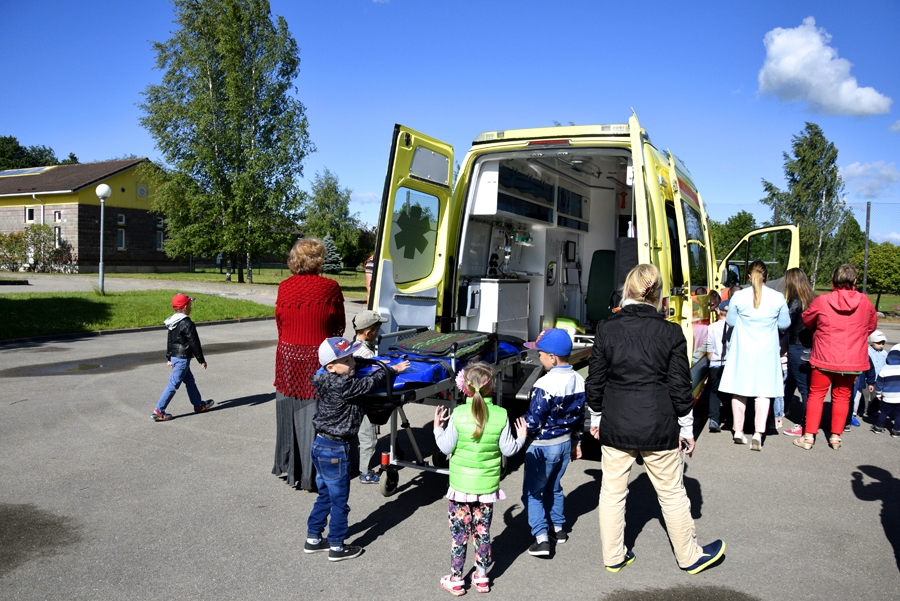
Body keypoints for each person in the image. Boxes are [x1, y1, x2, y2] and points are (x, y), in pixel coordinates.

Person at [586, 263, 725, 575]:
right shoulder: (670, 331)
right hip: (659, 424)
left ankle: (613, 556)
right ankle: (689, 557)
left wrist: (595, 417)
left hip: (616, 422)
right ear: (658, 294)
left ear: (628, 290)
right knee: (672, 492)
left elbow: (595, 381)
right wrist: (687, 428)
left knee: (611, 492)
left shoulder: (607, 328)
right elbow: (680, 385)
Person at [304, 337, 409, 562]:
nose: (352, 363)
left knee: (325, 495)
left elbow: (355, 363)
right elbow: (371, 383)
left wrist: (357, 361)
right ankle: (337, 546)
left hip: (321, 445)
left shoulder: (322, 375)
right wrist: (391, 368)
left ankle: (313, 538)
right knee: (340, 500)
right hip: (335, 451)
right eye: (346, 360)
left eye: (352, 357)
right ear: (331, 366)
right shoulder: (344, 385)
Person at [433, 362, 527, 595]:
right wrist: (522, 436)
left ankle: (456, 579)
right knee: (482, 533)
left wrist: (437, 427)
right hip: (486, 488)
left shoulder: (458, 414)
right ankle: (482, 576)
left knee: (459, 535)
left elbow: (445, 447)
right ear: (492, 387)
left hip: (460, 487)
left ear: (464, 387)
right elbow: (509, 450)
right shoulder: (501, 415)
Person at [273, 238, 346, 491]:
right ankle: (314, 474)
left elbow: (280, 324)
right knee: (317, 415)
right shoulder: (330, 288)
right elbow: (339, 327)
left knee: (292, 411)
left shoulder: (284, 287)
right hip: (318, 357)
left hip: (288, 357)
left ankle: (290, 467)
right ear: (318, 261)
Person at [794, 264, 877, 451]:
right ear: (855, 281)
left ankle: (808, 437)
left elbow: (808, 320)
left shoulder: (823, 300)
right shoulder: (864, 302)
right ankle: (835, 437)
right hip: (852, 358)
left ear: (833, 280)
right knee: (842, 396)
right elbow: (871, 326)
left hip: (824, 354)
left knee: (816, 395)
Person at [521, 328, 585, 556]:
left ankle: (541, 538)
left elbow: (534, 420)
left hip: (542, 446)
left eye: (540, 354)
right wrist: (577, 441)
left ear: (552, 357)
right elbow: (580, 416)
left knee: (533, 492)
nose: (538, 357)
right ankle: (558, 528)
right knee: (555, 487)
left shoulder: (544, 385)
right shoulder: (579, 380)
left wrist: (518, 438)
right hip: (565, 443)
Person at [718, 260, 790, 451]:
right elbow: (784, 324)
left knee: (739, 390)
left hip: (743, 349)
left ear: (749, 277)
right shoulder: (777, 297)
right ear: (766, 276)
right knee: (763, 393)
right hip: (766, 350)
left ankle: (738, 431)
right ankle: (758, 433)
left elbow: (731, 321)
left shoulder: (739, 296)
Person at [152, 293, 214, 421]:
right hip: (182, 359)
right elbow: (194, 342)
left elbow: (170, 341)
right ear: (185, 307)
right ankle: (159, 411)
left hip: (176, 357)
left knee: (190, 381)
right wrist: (201, 360)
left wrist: (169, 357)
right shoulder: (187, 323)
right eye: (190, 305)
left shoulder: (172, 321)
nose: (191, 307)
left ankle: (198, 405)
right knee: (173, 384)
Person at [351, 309, 389, 484]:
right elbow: (375, 376)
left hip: (353, 401)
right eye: (377, 329)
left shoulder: (352, 346)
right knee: (368, 438)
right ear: (368, 332)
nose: (378, 333)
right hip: (364, 402)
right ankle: (365, 473)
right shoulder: (366, 354)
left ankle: (355, 465)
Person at [782, 268, 816, 437]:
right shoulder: (813, 299)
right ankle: (784, 409)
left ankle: (805, 425)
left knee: (804, 388)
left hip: (797, 346)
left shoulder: (795, 301)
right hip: (811, 346)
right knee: (794, 382)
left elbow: (784, 324)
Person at [847, 330, 887, 429]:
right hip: (863, 378)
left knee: (876, 396)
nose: (881, 345)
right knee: (862, 396)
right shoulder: (867, 351)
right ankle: (859, 411)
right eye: (878, 343)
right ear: (872, 342)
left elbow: (882, 365)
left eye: (883, 343)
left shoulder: (884, 353)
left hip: (878, 378)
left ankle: (872, 410)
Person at [706, 300, 732, 432]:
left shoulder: (711, 327)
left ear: (719, 312)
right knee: (730, 393)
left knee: (714, 392)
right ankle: (730, 419)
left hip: (715, 363)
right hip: (730, 364)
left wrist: (711, 358)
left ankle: (714, 420)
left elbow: (708, 347)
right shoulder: (734, 327)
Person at [871, 343, 900, 436]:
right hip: (899, 396)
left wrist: (878, 394)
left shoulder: (884, 369)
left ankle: (878, 427)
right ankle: (896, 430)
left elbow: (879, 383)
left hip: (887, 395)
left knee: (884, 412)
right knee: (898, 414)